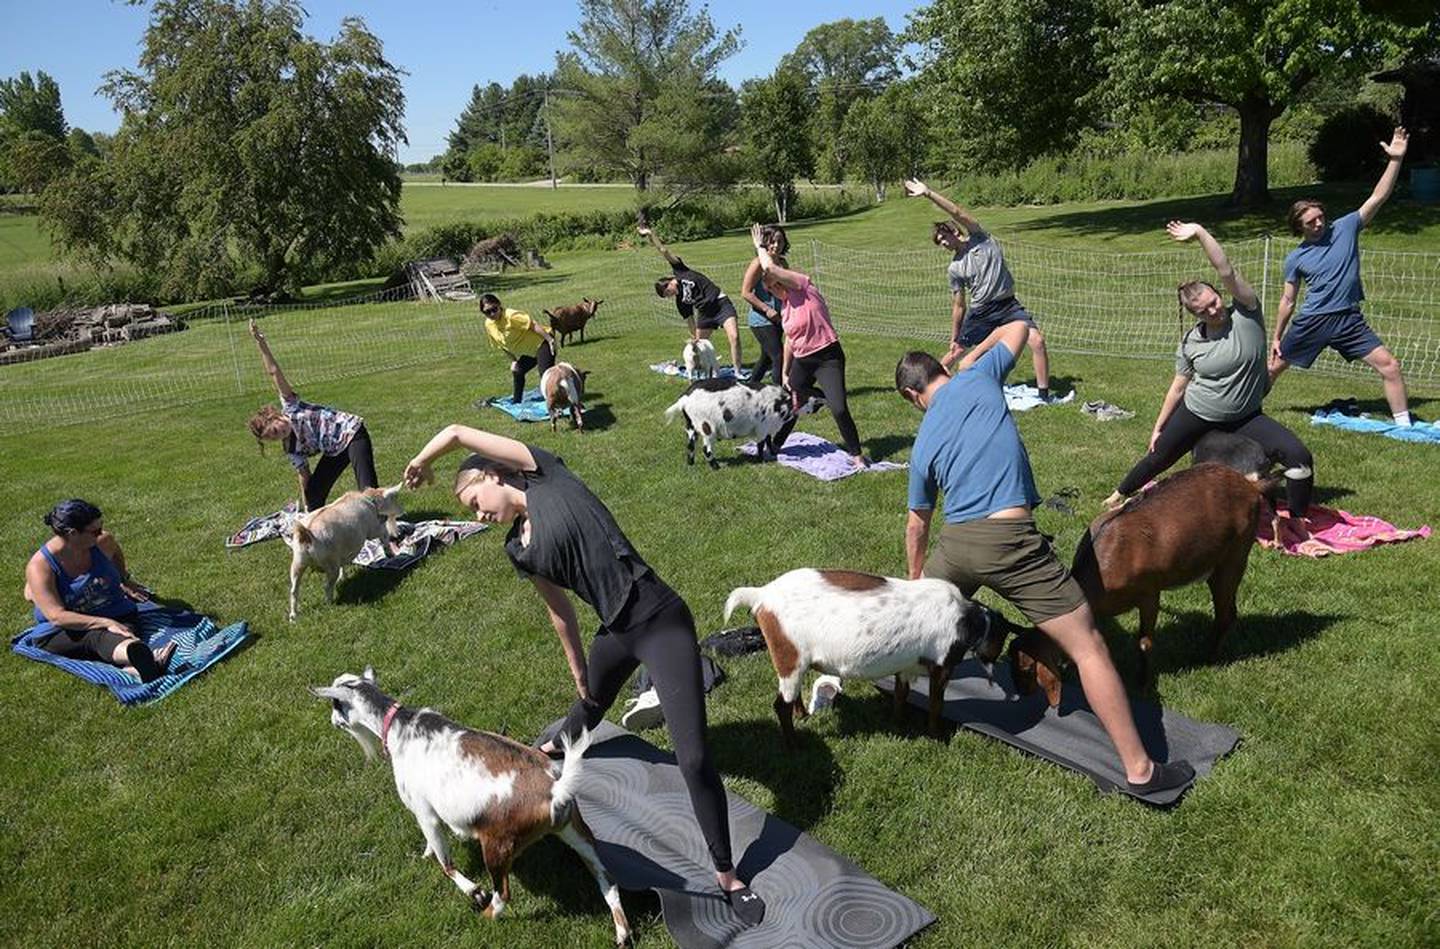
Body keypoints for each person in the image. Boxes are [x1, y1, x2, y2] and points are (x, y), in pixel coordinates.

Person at [401, 425, 767, 926]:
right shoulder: (518, 549)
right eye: (471, 513)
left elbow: (459, 432)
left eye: (475, 500)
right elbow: (560, 611)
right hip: (615, 631)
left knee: (694, 754)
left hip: (660, 620)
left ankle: (727, 875)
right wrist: (577, 665)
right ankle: (544, 753)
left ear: (492, 473)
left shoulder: (546, 475)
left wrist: (422, 460)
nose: (479, 514)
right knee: (589, 706)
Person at [896, 322, 1194, 795]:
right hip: (1011, 541)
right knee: (1089, 647)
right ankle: (1142, 771)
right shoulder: (978, 377)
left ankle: (893, 699)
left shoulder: (923, 442)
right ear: (942, 370)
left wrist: (916, 586)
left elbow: (917, 523)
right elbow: (1019, 326)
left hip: (956, 546)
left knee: (913, 627)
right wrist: (973, 356)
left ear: (913, 397)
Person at [1105, 223, 1315, 531]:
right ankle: (1118, 494)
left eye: (1214, 302)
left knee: (1300, 457)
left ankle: (1297, 520)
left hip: (1246, 416)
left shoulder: (1247, 313)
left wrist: (1201, 233)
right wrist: (1159, 427)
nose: (1214, 311)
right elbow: (1178, 387)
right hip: (1198, 411)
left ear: (1219, 294)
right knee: (1159, 457)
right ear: (1196, 315)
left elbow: (1226, 269)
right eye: (1204, 311)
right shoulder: (1192, 342)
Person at [1270, 127, 1412, 425]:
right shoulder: (1296, 258)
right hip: (1314, 320)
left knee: (1390, 365)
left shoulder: (1346, 227)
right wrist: (1277, 336)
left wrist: (1395, 160)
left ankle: (1404, 426)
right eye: (1311, 222)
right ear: (1299, 227)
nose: (1319, 223)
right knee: (1272, 369)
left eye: (1321, 216)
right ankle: (1243, 413)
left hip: (1348, 318)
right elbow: (1288, 299)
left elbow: (1378, 197)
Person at [902, 178, 1053, 400]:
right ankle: (926, 389)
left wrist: (928, 193)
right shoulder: (954, 268)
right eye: (939, 241)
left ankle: (1044, 396)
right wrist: (955, 336)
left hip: (1009, 306)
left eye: (943, 236)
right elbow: (958, 305)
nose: (943, 242)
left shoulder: (981, 238)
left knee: (1037, 341)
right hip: (982, 312)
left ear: (954, 230)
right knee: (955, 354)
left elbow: (957, 211)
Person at [749, 223, 869, 469]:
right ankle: (773, 448)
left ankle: (857, 455)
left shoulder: (804, 287)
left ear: (785, 281)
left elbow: (770, 266)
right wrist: (784, 370)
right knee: (790, 404)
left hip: (828, 357)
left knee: (838, 408)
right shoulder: (786, 307)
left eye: (777, 284)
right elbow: (791, 339)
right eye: (771, 288)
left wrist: (760, 247)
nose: (775, 289)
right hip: (803, 361)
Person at [23, 499, 175, 682]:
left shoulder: (102, 542)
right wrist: (105, 622)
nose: (101, 533)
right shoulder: (41, 566)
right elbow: (57, 616)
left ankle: (137, 665)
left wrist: (124, 580)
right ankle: (143, 658)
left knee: (122, 629)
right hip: (63, 629)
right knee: (96, 637)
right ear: (72, 533)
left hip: (116, 613)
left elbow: (116, 553)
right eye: (94, 531)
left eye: (101, 527)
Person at [247, 319, 379, 511]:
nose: (280, 434)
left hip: (352, 432)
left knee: (368, 490)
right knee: (313, 494)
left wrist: (261, 343)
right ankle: (316, 525)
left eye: (276, 430)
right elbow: (304, 475)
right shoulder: (291, 448)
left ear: (275, 416)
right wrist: (309, 509)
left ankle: (387, 532)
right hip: (335, 449)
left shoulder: (290, 406)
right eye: (274, 437)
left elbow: (274, 372)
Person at [641, 224, 744, 375]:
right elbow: (689, 320)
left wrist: (651, 234)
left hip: (720, 303)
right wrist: (695, 337)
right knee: (697, 348)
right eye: (667, 296)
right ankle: (694, 369)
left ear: (669, 283)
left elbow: (664, 251)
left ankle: (738, 371)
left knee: (734, 336)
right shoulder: (680, 301)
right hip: (705, 314)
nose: (670, 295)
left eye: (667, 292)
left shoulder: (681, 271)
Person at [480, 292, 558, 405]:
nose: (492, 314)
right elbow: (502, 345)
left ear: (499, 305)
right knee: (518, 370)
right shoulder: (489, 325)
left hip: (543, 343)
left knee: (545, 376)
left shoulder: (511, 316)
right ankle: (516, 402)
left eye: (494, 309)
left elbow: (533, 325)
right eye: (487, 312)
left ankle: (554, 403)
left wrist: (550, 340)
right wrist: (514, 361)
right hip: (530, 351)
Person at [739, 225, 788, 386]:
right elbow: (746, 292)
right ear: (765, 243)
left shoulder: (782, 263)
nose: (776, 245)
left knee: (766, 358)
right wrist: (767, 309)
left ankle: (749, 388)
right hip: (761, 320)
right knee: (778, 356)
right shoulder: (757, 263)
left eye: (780, 241)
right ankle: (779, 394)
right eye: (772, 241)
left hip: (779, 318)